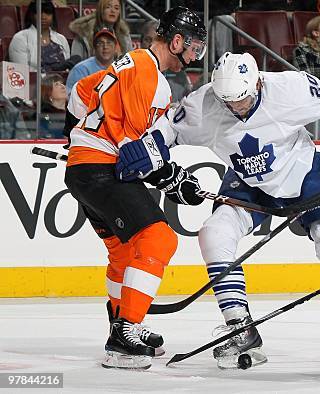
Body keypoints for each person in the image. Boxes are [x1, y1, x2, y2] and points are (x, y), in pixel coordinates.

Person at [118, 51, 320, 369]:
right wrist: (147, 149)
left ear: (257, 82)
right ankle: (240, 327)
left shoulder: (288, 88)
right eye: (228, 102)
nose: (235, 109)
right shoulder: (207, 103)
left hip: (303, 173)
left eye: (241, 100)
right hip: (249, 182)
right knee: (214, 232)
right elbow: (170, 128)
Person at [63, 6, 207, 370]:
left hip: (84, 167)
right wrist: (175, 179)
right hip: (102, 168)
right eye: (193, 48)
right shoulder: (148, 73)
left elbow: (78, 96)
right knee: (160, 240)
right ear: (175, 41)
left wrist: (78, 136)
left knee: (123, 253)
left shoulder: (126, 64)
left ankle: (123, 323)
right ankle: (125, 333)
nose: (193, 57)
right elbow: (133, 155)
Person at [8, 1, 71, 72]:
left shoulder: (61, 39)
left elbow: (67, 68)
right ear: (31, 15)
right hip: (34, 82)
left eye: (48, 13)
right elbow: (22, 72)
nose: (43, 17)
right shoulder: (20, 39)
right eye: (38, 13)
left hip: (62, 81)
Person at [66, 28, 118, 93]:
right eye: (100, 43)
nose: (105, 47)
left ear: (115, 47)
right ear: (94, 48)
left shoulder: (121, 69)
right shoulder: (80, 70)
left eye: (109, 43)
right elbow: (72, 96)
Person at [40, 74, 67, 139]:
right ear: (48, 91)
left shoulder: (75, 110)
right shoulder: (44, 114)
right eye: (56, 84)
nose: (63, 86)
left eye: (62, 83)